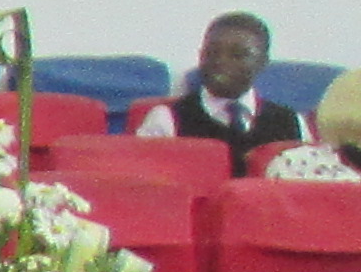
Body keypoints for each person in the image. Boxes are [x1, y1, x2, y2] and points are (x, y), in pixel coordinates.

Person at [131, 12, 311, 164]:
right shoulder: (167, 119)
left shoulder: (292, 123)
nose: (221, 62)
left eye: (239, 54)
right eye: (212, 52)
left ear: (263, 62)